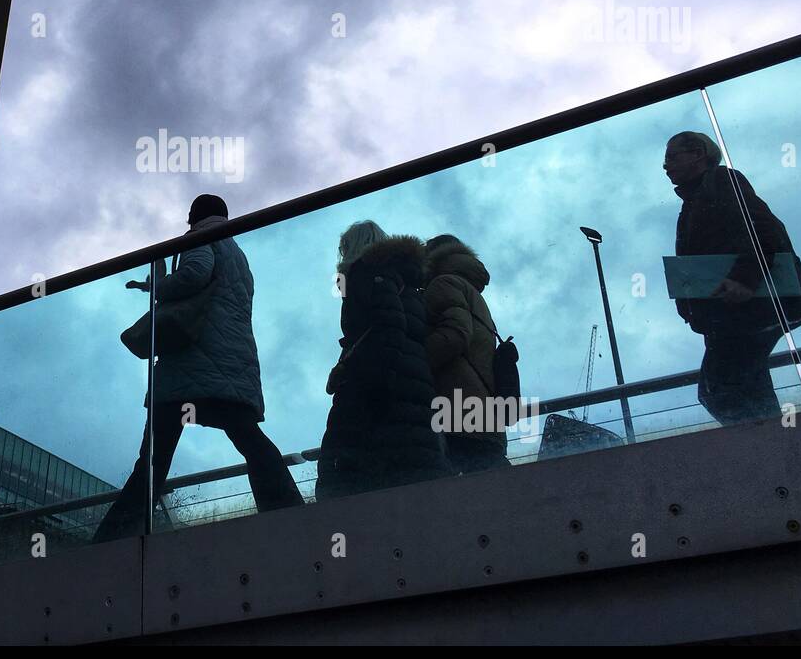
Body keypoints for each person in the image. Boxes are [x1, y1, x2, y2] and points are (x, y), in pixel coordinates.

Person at [93, 194, 303, 542]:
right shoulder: (237, 253)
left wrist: (157, 287)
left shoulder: (199, 239)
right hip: (229, 364)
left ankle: (108, 544)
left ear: (194, 216)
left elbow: (194, 275)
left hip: (189, 365)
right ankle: (288, 512)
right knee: (249, 439)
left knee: (152, 463)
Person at [664, 131, 801, 425]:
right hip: (734, 314)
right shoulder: (696, 199)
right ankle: (783, 452)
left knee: (718, 389)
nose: (666, 166)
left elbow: (764, 230)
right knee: (740, 387)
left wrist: (745, 279)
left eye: (672, 157)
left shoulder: (721, 182)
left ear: (697, 154)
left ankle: (775, 452)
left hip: (744, 311)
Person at [315, 221, 451, 501]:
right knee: (414, 480)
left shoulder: (366, 273)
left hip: (377, 395)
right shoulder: (409, 286)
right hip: (414, 391)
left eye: (344, 248)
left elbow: (388, 328)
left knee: (348, 484)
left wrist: (373, 386)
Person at [421, 234, 510, 473]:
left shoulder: (443, 284)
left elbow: (456, 334)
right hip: (482, 414)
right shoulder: (472, 291)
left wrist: (415, 361)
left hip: (457, 413)